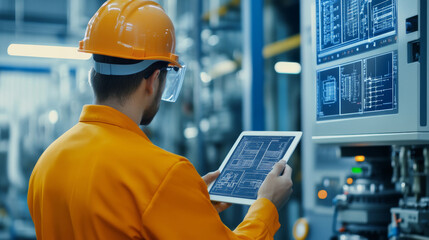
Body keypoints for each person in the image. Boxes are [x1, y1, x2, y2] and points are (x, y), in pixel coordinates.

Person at [27, 0, 294, 239]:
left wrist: (185, 202)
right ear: (154, 80)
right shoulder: (163, 174)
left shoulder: (47, 163)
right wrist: (266, 207)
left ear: (93, 75)